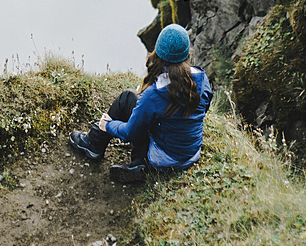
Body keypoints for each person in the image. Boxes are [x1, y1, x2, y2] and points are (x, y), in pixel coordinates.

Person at [69, 24, 213, 182]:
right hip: (191, 153)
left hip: (163, 158)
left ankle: (94, 143)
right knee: (157, 119)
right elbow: (203, 109)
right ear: (187, 54)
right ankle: (138, 164)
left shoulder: (154, 94)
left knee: (127, 99)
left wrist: (108, 125)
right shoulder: (201, 79)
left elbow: (130, 132)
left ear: (158, 53)